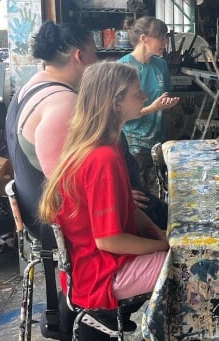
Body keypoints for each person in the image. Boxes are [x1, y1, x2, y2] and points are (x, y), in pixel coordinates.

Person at [39, 62, 169, 325]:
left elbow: (130, 210)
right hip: (100, 273)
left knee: (181, 251)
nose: (145, 97)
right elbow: (109, 241)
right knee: (189, 268)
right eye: (137, 93)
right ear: (115, 103)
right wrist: (162, 246)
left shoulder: (103, 145)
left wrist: (160, 233)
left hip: (94, 262)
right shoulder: (103, 158)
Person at [5, 21, 98, 339]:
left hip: (37, 209)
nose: (96, 62)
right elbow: (73, 187)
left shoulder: (31, 86)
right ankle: (92, 315)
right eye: (94, 54)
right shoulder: (62, 103)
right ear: (79, 56)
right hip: (54, 219)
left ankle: (69, 309)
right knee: (159, 220)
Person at [118, 16, 180, 193]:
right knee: (139, 197)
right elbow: (118, 114)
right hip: (133, 145)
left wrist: (167, 105)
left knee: (161, 193)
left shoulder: (160, 65)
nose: (165, 42)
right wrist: (154, 107)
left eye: (166, 37)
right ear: (144, 39)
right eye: (161, 37)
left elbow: (164, 96)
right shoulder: (123, 67)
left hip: (159, 140)